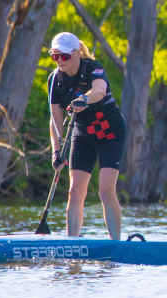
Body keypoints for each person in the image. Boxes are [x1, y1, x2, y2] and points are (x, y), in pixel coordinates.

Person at [46, 32, 125, 240]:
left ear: (77, 53)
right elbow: (55, 120)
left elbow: (99, 90)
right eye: (55, 57)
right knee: (74, 192)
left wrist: (84, 99)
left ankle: (115, 243)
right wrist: (57, 151)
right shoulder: (55, 80)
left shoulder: (93, 68)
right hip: (82, 136)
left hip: (110, 133)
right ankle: (72, 243)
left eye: (64, 56)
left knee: (105, 190)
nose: (60, 61)